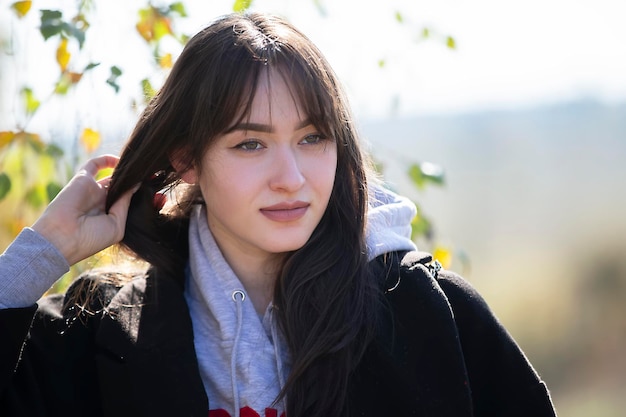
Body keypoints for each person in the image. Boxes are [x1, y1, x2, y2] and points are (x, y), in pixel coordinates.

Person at [0, 12, 556, 417]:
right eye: (250, 144)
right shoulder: (99, 330)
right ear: (187, 158)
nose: (292, 177)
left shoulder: (425, 312)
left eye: (313, 138)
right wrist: (39, 253)